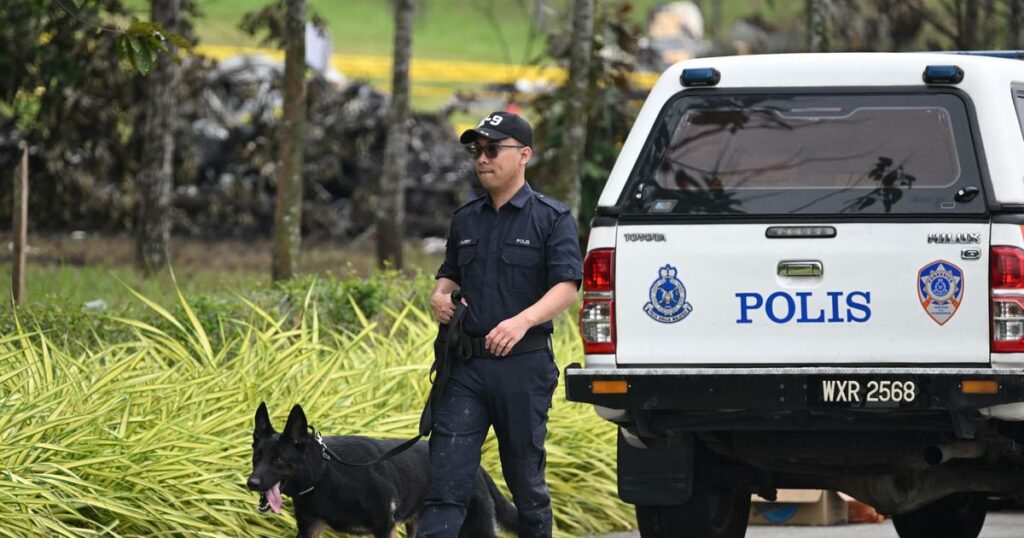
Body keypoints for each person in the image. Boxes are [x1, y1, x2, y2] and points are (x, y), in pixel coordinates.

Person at [417, 111, 583, 538]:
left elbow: (567, 286)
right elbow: (449, 272)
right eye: (477, 150)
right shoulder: (466, 218)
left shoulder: (552, 218)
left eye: (493, 149)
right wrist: (439, 296)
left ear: (524, 154)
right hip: (465, 369)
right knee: (444, 485)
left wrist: (521, 322)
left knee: (526, 487)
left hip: (521, 371)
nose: (482, 159)